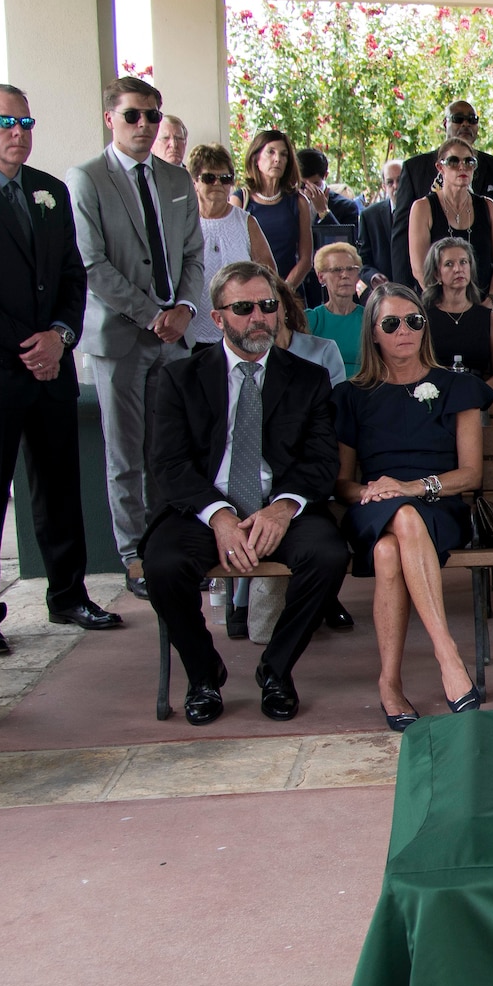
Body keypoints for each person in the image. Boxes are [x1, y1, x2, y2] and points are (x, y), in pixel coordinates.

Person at [0, 83, 121, 658]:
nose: (18, 132)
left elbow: (73, 273)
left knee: (59, 482)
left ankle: (68, 593)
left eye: (25, 122)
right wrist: (28, 345)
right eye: (4, 122)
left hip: (50, 364)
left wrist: (60, 336)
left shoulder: (50, 191)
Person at [142, 261, 350, 724]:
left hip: (280, 505)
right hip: (203, 506)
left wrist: (281, 509)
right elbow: (169, 465)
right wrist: (219, 516)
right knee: (162, 565)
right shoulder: (180, 378)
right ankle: (202, 674)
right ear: (218, 318)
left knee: (329, 555)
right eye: (244, 307)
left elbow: (321, 461)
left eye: (268, 306)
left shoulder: (308, 378)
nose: (259, 316)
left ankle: (276, 670)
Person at [67, 74, 207, 597]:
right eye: (132, 115)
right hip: (122, 338)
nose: (144, 125)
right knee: (125, 453)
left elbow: (193, 254)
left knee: (170, 448)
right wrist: (154, 314)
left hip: (175, 337)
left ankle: (168, 546)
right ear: (111, 118)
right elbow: (91, 264)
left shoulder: (175, 180)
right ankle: (134, 557)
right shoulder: (86, 178)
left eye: (152, 115)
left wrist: (186, 309)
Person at [333, 283, 493, 725]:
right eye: (391, 323)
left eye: (414, 320)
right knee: (397, 522)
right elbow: (343, 483)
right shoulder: (352, 395)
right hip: (374, 507)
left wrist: (410, 488)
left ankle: (391, 682)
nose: (404, 330)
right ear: (374, 334)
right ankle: (447, 655)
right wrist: (375, 492)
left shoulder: (457, 386)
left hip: (438, 505)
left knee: (390, 549)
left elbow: (470, 475)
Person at [390, 101, 493, 291]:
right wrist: (402, 290)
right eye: (458, 119)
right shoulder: (415, 168)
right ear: (445, 123)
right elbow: (401, 233)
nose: (466, 124)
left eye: (472, 119)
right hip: (432, 290)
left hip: (486, 290)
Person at [407, 137, 493, 314]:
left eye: (469, 161)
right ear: (441, 167)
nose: (462, 167)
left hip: (484, 306)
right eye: (453, 161)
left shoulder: (488, 206)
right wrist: (447, 304)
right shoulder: (422, 207)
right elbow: (419, 269)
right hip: (439, 307)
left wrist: (491, 301)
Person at [186, 144, 274, 350]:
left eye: (225, 178)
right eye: (209, 178)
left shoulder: (246, 222)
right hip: (191, 329)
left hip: (241, 330)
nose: (218, 183)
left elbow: (268, 274)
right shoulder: (183, 223)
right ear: (194, 182)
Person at [420, 236, 493, 388]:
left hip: (476, 394)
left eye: (463, 262)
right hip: (435, 393)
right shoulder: (425, 317)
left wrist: (477, 393)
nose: (458, 269)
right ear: (437, 274)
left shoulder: (488, 318)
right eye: (449, 264)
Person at [239, 129, 312, 294]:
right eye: (270, 152)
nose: (277, 159)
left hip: (290, 291)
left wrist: (284, 290)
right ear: (255, 158)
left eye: (284, 154)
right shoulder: (241, 201)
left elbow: (306, 259)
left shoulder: (299, 201)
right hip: (252, 293)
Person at [306, 241, 367, 378]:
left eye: (351, 269)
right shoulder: (311, 320)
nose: (345, 275)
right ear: (321, 277)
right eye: (336, 270)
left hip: (364, 391)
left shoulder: (370, 318)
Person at [356, 158, 401, 281]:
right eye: (390, 182)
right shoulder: (369, 216)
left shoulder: (423, 211)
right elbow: (363, 259)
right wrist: (373, 276)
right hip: (384, 290)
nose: (396, 186)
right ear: (384, 186)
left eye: (400, 180)